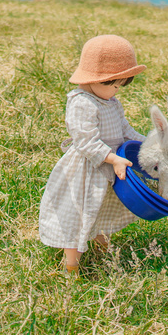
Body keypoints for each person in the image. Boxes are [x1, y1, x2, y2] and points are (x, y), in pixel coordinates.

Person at [38, 34, 147, 274]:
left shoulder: (112, 102)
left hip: (108, 169)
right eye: (115, 84)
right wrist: (112, 158)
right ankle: (71, 266)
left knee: (100, 211)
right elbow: (86, 141)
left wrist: (148, 143)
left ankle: (102, 251)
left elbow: (125, 129)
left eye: (121, 85)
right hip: (87, 170)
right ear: (97, 79)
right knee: (78, 214)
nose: (117, 90)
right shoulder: (82, 103)